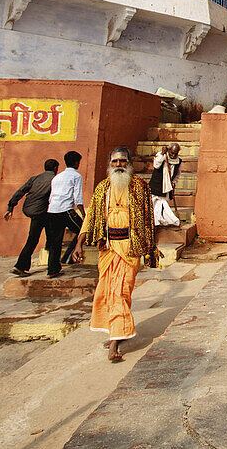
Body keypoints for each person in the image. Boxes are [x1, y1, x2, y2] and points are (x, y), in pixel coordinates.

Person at [72, 146, 157, 362]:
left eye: (122, 161)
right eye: (115, 161)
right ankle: (116, 332)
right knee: (105, 292)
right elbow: (90, 217)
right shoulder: (102, 188)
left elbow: (148, 220)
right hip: (108, 249)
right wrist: (78, 244)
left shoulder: (140, 187)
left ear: (129, 163)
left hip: (130, 248)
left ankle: (116, 341)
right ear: (109, 164)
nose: (119, 165)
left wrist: (150, 248)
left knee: (120, 292)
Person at [4, 158, 59, 277]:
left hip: (35, 213)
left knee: (32, 240)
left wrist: (10, 207)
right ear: (55, 168)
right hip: (47, 213)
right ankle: (52, 269)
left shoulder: (35, 178)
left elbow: (20, 191)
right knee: (53, 240)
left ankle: (20, 266)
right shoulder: (55, 179)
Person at [47, 150, 84, 274]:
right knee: (82, 230)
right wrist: (83, 214)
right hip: (65, 210)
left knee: (55, 241)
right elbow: (77, 198)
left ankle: (52, 269)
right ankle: (69, 256)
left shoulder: (57, 177)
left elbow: (51, 196)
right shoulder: (76, 176)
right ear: (76, 163)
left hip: (52, 210)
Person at [150, 143, 182, 227]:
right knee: (155, 203)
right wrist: (162, 154)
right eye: (172, 153)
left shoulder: (179, 161)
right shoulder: (161, 155)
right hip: (157, 185)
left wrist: (174, 183)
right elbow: (156, 165)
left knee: (162, 204)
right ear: (169, 150)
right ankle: (156, 221)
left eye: (175, 153)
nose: (173, 155)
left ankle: (162, 220)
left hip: (167, 186)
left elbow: (178, 174)